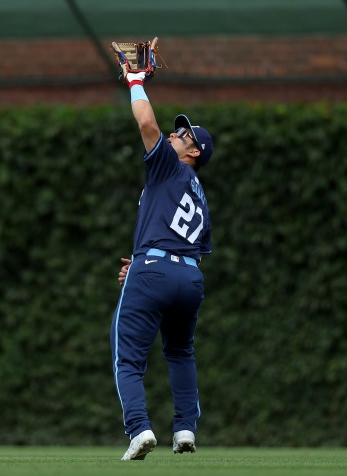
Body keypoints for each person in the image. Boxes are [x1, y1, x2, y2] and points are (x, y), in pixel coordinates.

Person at [110, 50, 214, 461]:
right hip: (188, 278)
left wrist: (135, 81)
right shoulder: (199, 194)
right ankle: (186, 428)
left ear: (193, 153)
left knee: (128, 358)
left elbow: (147, 123)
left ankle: (138, 430)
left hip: (154, 272)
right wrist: (145, 261)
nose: (174, 136)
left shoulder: (169, 166)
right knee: (180, 352)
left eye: (183, 137)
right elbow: (187, 245)